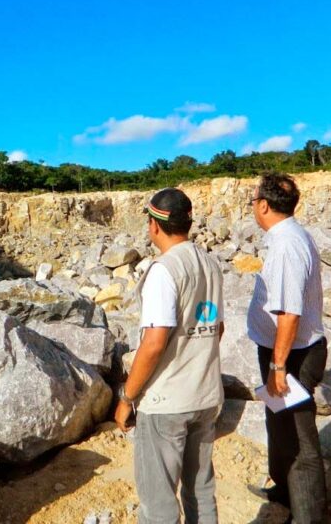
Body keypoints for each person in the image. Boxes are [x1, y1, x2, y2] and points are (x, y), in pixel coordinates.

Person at [114, 187, 224, 524]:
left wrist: (127, 397)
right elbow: (217, 329)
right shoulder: (210, 264)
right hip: (206, 395)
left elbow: (153, 343)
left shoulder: (164, 270)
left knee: (158, 502)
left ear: (154, 225)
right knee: (200, 490)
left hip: (167, 402)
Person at [246, 173, 328, 523]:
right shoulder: (291, 235)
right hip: (283, 351)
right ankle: (283, 491)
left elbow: (289, 313)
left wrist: (278, 366)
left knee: (298, 438)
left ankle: (308, 515)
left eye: (253, 201)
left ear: (264, 206)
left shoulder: (286, 245)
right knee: (279, 423)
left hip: (293, 354)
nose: (252, 207)